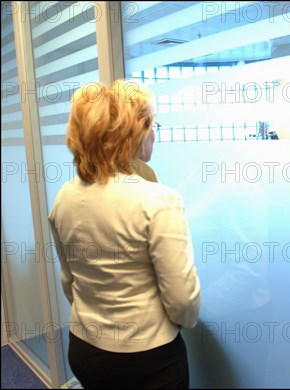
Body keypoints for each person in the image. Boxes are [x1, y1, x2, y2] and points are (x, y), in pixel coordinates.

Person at [48, 80, 201, 389]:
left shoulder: (65, 196)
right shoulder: (159, 201)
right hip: (147, 361)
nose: (154, 134)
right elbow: (183, 302)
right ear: (129, 135)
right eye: (150, 125)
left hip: (84, 348)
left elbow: (70, 283)